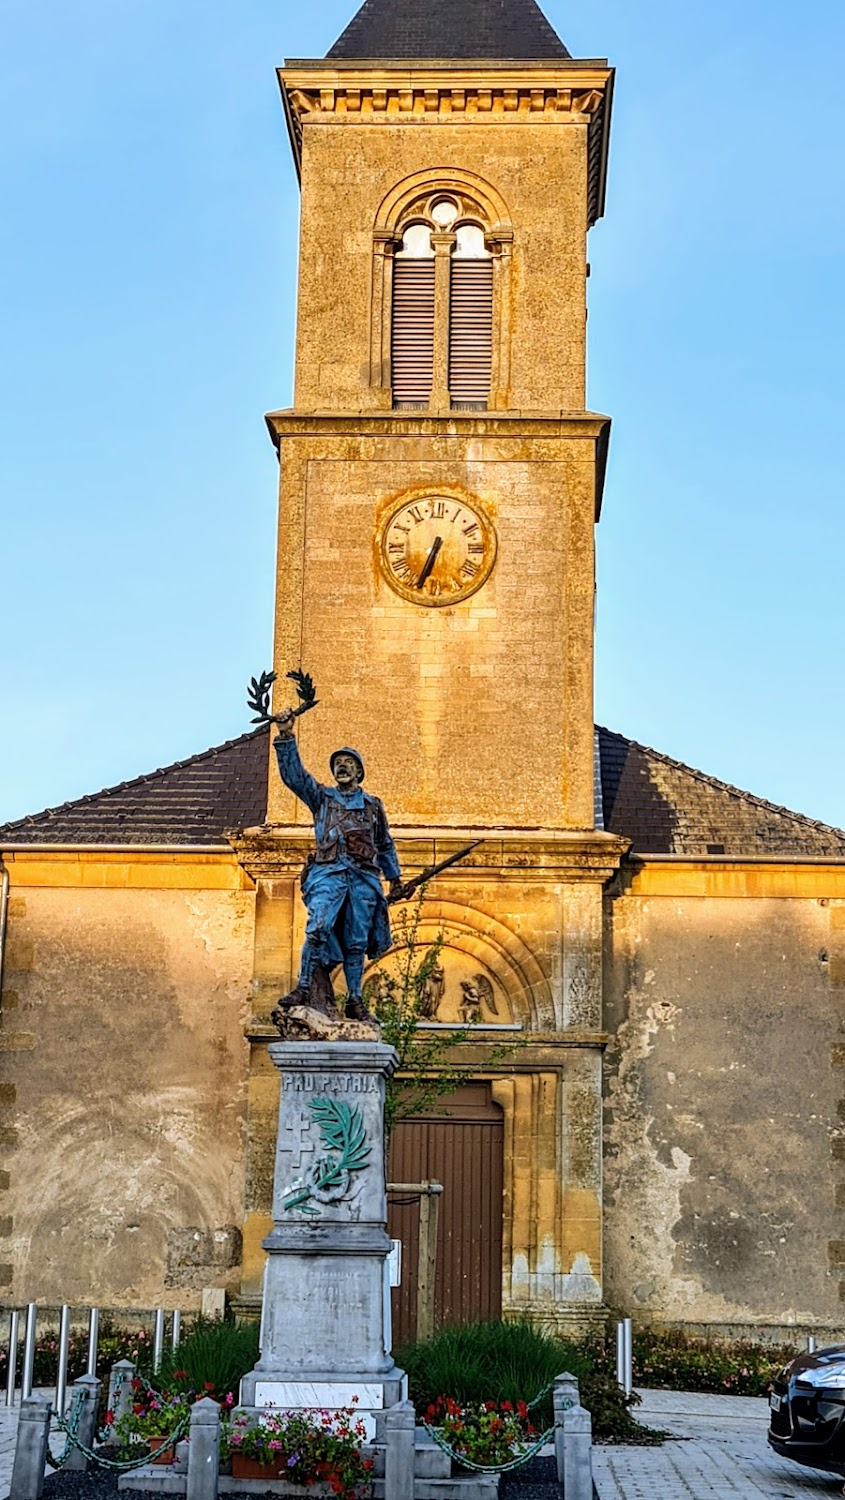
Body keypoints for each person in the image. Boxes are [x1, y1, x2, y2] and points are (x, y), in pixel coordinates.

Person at [273, 709, 404, 1021]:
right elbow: (294, 778)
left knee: (356, 941)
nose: (342, 767)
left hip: (363, 879)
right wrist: (286, 736)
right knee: (317, 927)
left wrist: (395, 878)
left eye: (349, 764)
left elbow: (384, 843)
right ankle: (304, 987)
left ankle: (355, 1001)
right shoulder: (322, 798)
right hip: (329, 873)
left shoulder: (373, 806)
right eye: (337, 764)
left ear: (359, 772)